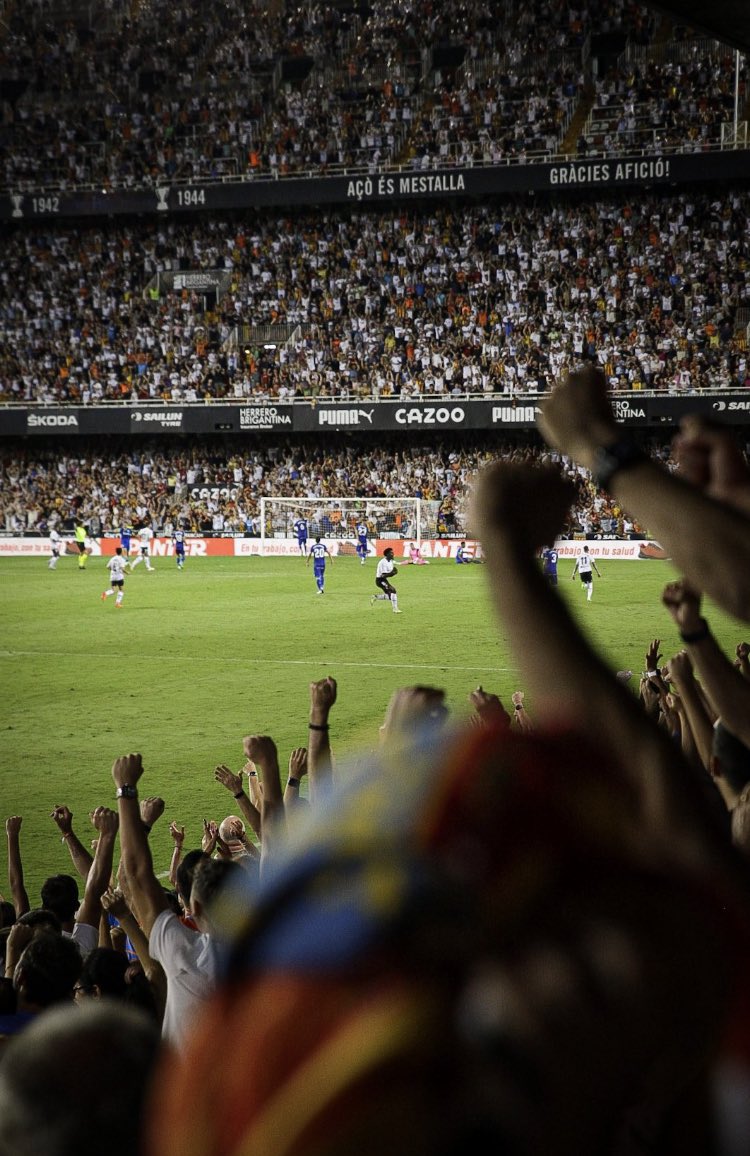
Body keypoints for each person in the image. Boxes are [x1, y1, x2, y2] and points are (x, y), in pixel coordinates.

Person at [372, 547, 401, 612]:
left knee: (391, 596)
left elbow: (396, 564)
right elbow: (383, 575)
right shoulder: (382, 562)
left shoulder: (390, 561)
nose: (393, 554)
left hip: (384, 580)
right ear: (387, 554)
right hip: (380, 580)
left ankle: (375, 597)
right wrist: (392, 573)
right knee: (393, 590)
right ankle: (395, 609)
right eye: (391, 553)